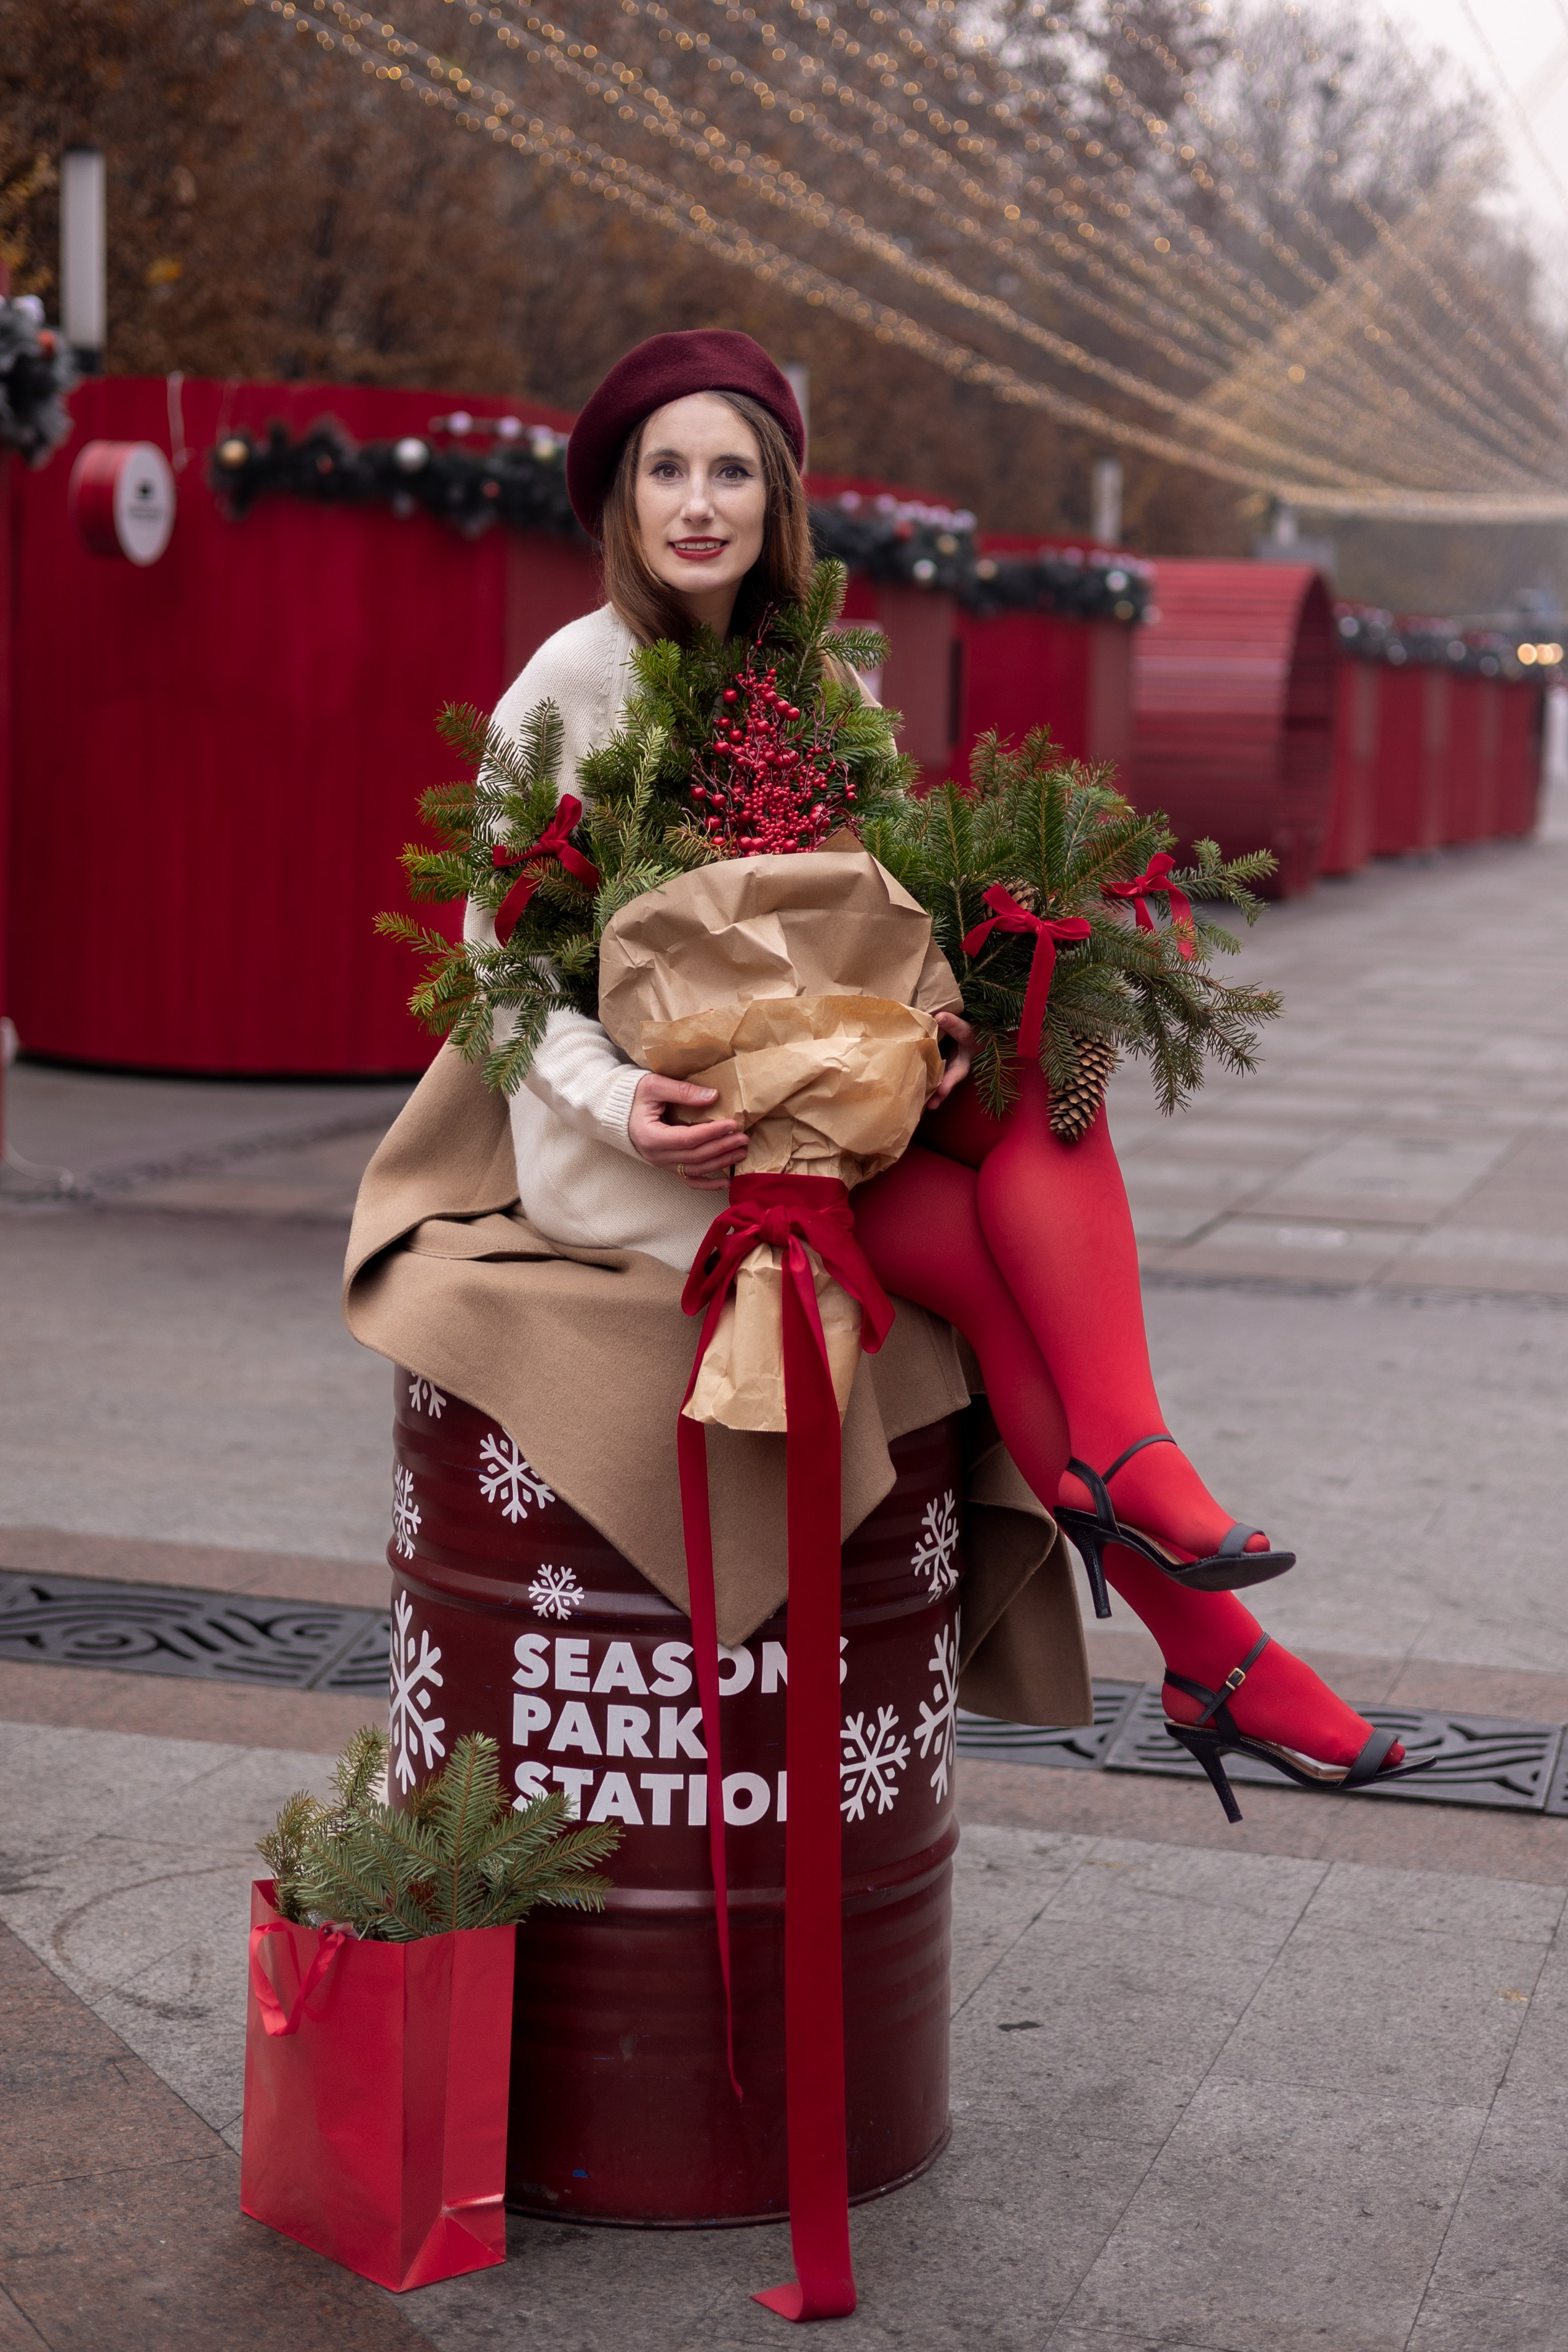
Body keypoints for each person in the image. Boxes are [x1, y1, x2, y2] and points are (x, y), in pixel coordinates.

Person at [472, 327, 1405, 1805]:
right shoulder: (573, 682)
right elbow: (498, 967)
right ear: (623, 501)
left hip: (833, 1089)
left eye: (732, 473)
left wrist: (939, 1005)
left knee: (1045, 1081)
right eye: (667, 472)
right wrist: (620, 1103)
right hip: (677, 1128)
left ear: (778, 502)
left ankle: (1140, 1487)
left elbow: (887, 890)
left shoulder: (818, 682)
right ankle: (1204, 1628)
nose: (699, 504)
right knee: (983, 1265)